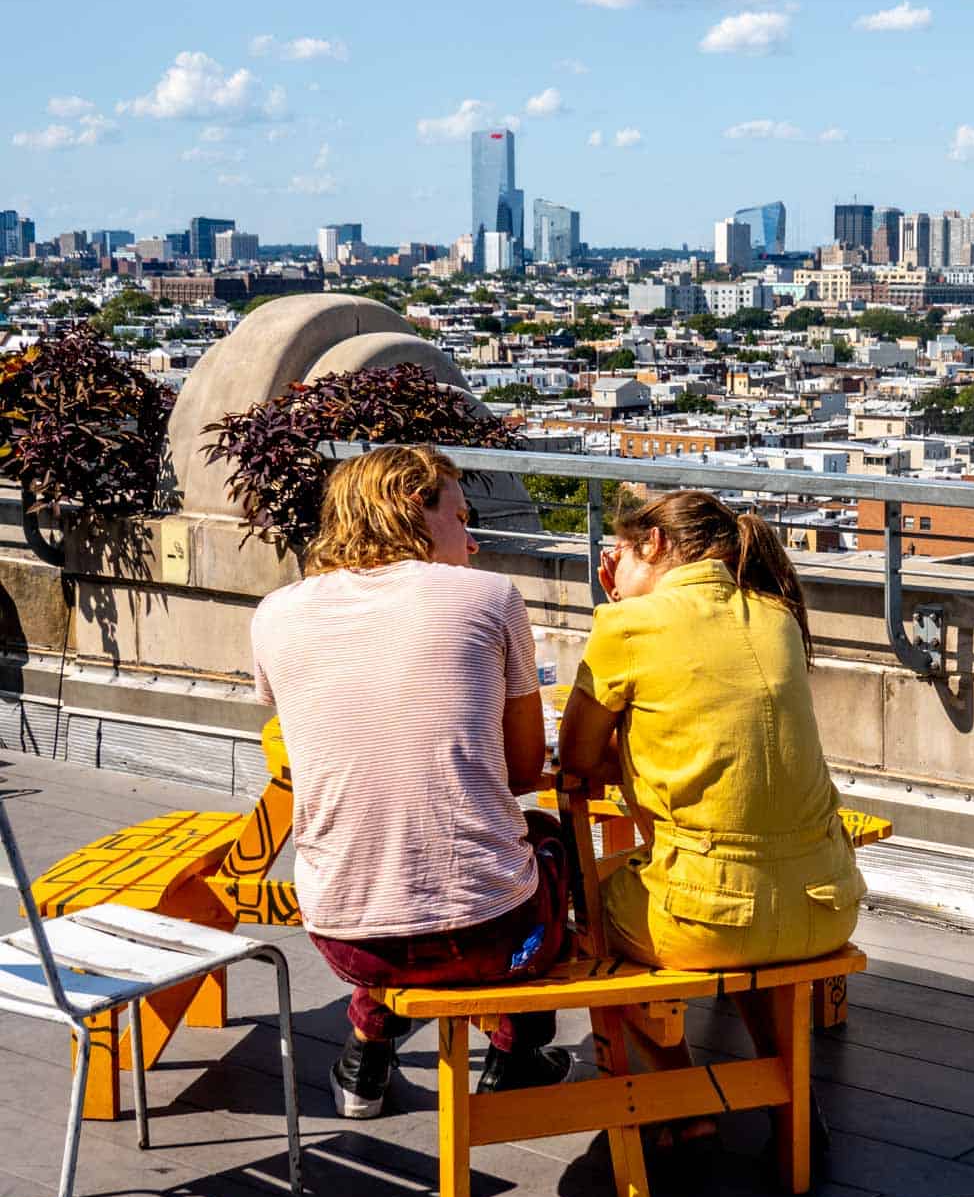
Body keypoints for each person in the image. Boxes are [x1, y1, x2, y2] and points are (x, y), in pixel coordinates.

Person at [249, 444, 573, 1120]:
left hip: (346, 938)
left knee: (391, 863)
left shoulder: (275, 613)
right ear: (412, 509)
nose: (473, 540)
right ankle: (517, 1051)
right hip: (489, 935)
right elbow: (518, 774)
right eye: (460, 516)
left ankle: (369, 1042)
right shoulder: (489, 598)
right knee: (546, 844)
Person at [558, 491, 865, 1121]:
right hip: (827, 905)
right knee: (747, 906)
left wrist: (621, 607)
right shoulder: (775, 615)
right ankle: (790, 1104)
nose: (611, 567)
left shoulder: (626, 626)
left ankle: (683, 1097)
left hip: (707, 920)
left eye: (619, 552)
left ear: (655, 545)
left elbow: (579, 760)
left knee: (581, 912)